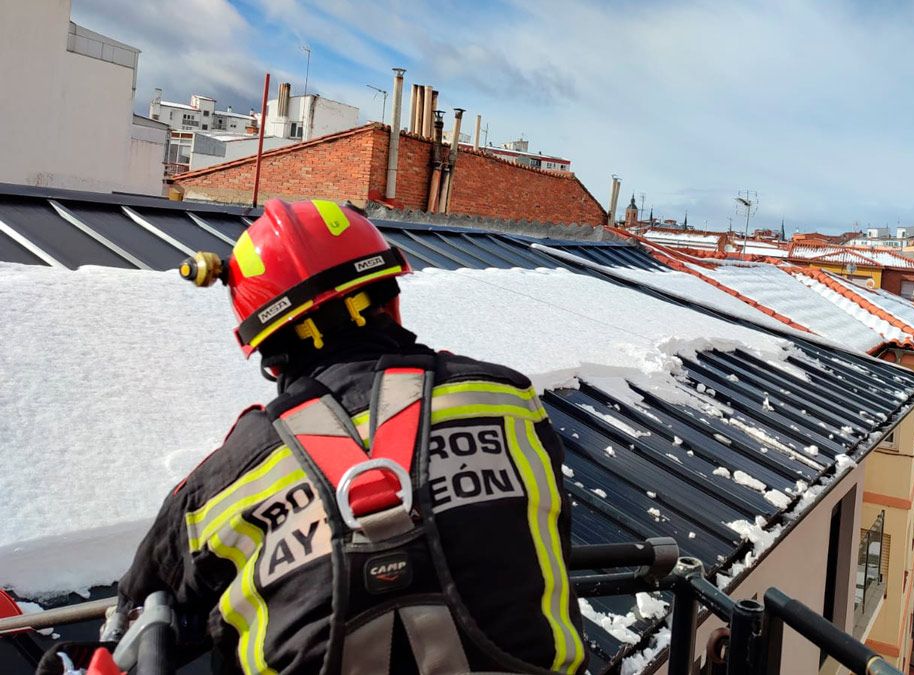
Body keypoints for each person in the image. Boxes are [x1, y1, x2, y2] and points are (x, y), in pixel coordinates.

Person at [84, 200, 588, 674]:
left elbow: (140, 614)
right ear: (388, 298)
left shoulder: (218, 486)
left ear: (265, 345)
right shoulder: (506, 400)